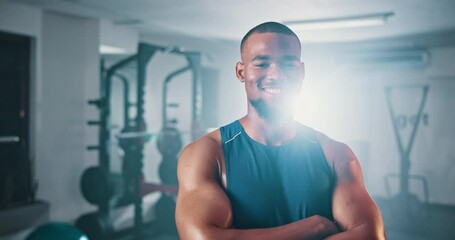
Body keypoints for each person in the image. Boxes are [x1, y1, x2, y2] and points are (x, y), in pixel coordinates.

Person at [175, 21, 385, 240]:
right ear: (240, 72)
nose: (277, 75)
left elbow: (371, 236)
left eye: (289, 64)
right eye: (262, 64)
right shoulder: (206, 154)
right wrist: (312, 227)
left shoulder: (336, 154)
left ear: (301, 72)